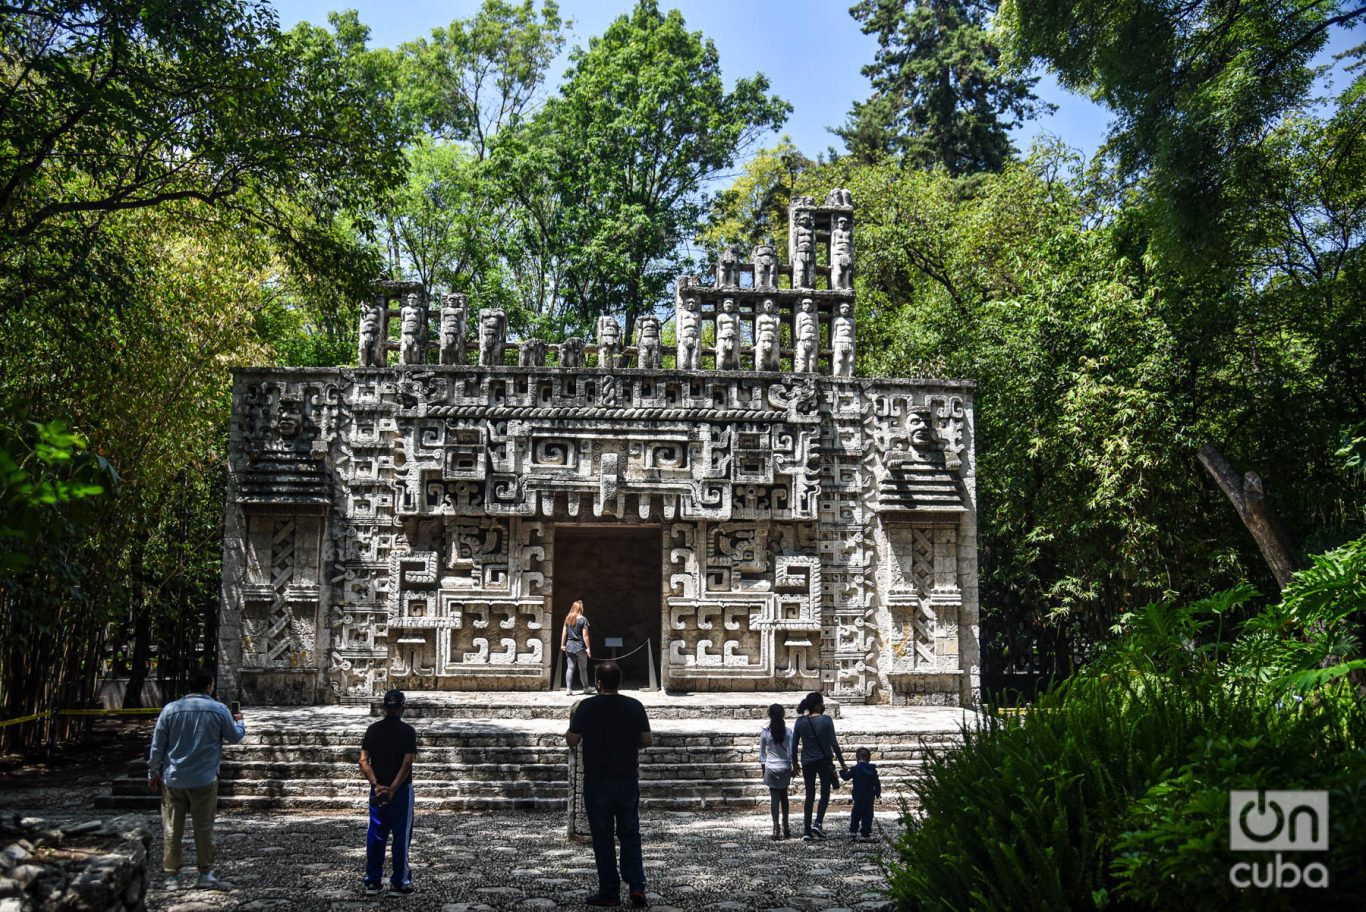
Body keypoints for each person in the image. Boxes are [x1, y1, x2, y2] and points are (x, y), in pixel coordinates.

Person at [147, 667, 245, 890]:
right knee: (204, 828)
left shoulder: (170, 710)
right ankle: (205, 874)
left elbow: (157, 746)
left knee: (172, 829)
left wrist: (153, 772)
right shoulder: (219, 710)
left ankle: (172, 877)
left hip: (174, 778)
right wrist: (239, 721)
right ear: (209, 685)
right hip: (204, 778)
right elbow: (235, 737)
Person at [566, 661, 652, 908]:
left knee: (603, 838)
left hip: (598, 780)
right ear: (619, 682)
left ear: (598, 683)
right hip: (626, 778)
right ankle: (637, 885)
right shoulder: (634, 706)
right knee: (630, 833)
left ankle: (609, 892)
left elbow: (573, 740)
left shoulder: (587, 706)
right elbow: (647, 739)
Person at [359, 689, 418, 896]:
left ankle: (373, 881)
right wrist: (393, 788)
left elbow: (363, 760)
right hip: (400, 791)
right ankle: (400, 881)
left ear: (384, 707)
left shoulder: (373, 730)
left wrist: (376, 784)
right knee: (401, 837)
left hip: (377, 789)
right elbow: (408, 762)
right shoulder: (407, 731)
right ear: (402, 707)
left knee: (376, 834)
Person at [792, 691, 845, 840]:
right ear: (818, 705)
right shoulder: (826, 720)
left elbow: (794, 744)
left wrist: (794, 763)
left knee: (809, 795)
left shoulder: (800, 722)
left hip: (807, 761)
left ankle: (807, 831)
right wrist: (842, 763)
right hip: (824, 761)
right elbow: (834, 743)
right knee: (825, 793)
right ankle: (818, 823)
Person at [759, 703, 795, 840]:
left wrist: (764, 769)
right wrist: (793, 767)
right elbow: (791, 752)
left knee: (774, 798)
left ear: (769, 715)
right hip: (785, 767)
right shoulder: (788, 731)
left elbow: (762, 754)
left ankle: (776, 827)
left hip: (771, 767)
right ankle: (786, 825)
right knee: (784, 796)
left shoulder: (765, 731)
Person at [840, 747, 882, 839]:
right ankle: (865, 833)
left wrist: (842, 771)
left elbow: (846, 777)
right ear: (869, 758)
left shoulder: (855, 769)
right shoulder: (872, 769)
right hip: (869, 796)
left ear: (857, 758)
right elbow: (876, 782)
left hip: (858, 796)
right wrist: (878, 792)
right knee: (868, 815)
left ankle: (853, 831)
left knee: (856, 814)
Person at [562, 600, 594, 695]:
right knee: (583, 669)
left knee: (570, 668)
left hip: (569, 646)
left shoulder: (567, 618)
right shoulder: (583, 619)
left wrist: (562, 645)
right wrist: (588, 648)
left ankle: (568, 689)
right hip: (580, 647)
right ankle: (586, 688)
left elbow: (564, 633)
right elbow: (585, 635)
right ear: (581, 608)